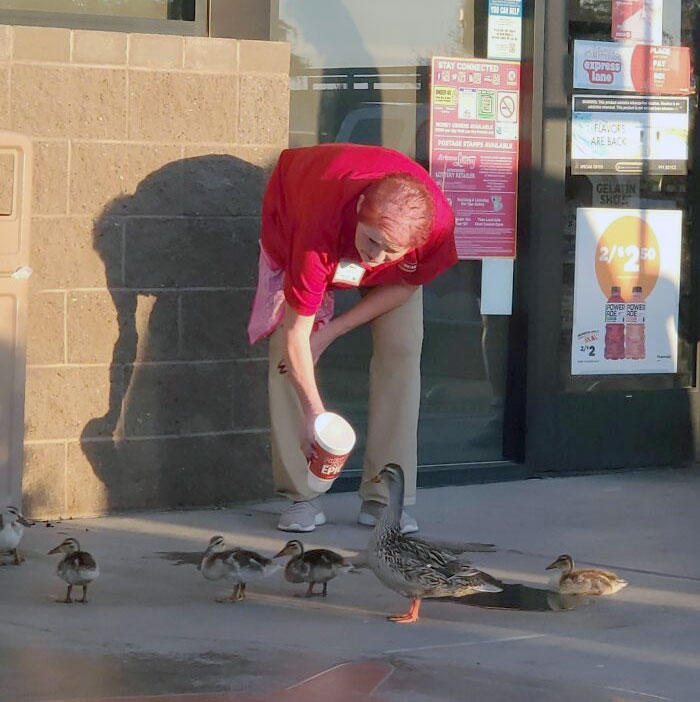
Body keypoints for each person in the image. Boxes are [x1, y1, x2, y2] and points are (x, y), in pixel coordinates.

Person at [247, 143, 456, 534]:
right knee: (286, 357)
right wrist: (314, 412)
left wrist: (332, 333)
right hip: (300, 221)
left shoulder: (437, 229)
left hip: (389, 272)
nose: (374, 257)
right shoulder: (318, 220)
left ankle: (383, 498)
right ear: (359, 208)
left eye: (389, 251)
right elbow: (296, 333)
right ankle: (302, 494)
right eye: (371, 241)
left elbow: (406, 285)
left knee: (403, 349)